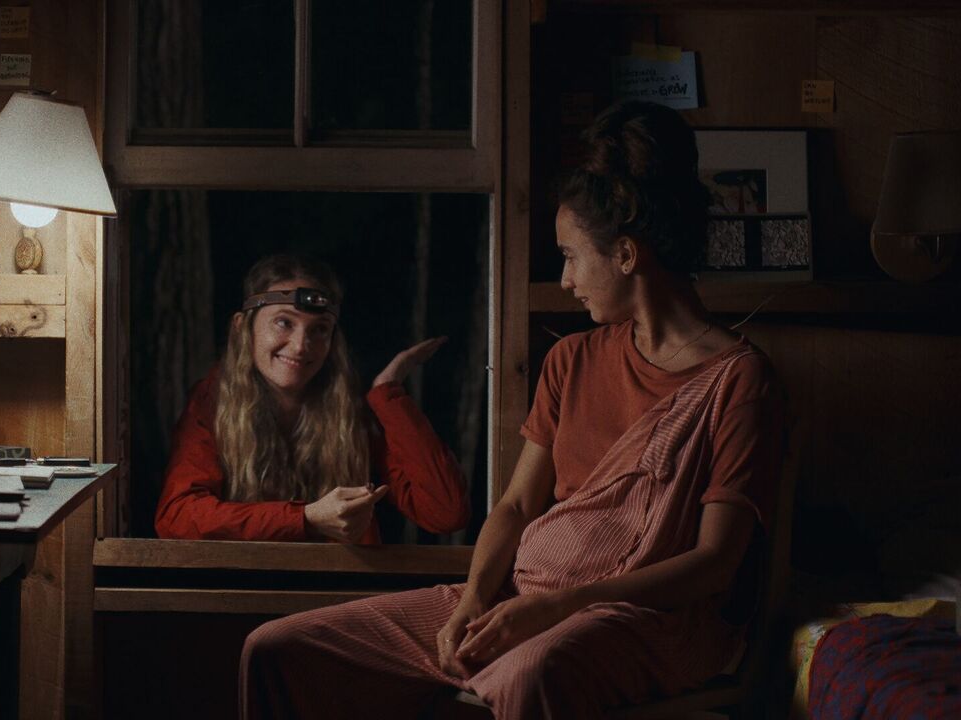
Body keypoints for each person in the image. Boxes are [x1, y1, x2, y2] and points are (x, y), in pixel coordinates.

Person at [240, 101, 786, 719]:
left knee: (532, 672)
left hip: (644, 620)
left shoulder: (739, 381)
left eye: (570, 256)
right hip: (522, 596)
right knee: (278, 649)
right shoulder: (572, 359)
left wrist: (558, 608)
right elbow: (518, 506)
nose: (565, 279)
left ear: (626, 255)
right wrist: (475, 597)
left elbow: (714, 564)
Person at [154, 254, 469, 543]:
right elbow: (176, 517)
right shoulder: (213, 401)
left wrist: (389, 393)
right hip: (242, 583)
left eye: (319, 329)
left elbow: (446, 512)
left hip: (343, 583)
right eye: (284, 322)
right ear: (242, 327)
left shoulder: (351, 412)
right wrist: (304, 518)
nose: (300, 345)